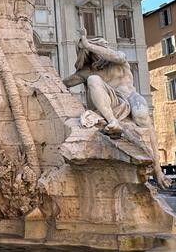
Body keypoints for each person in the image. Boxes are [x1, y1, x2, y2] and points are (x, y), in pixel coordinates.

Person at [63, 28, 169, 187]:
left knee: (141, 114)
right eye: (95, 52)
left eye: (101, 49)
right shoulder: (88, 72)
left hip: (130, 97)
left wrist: (88, 45)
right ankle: (113, 122)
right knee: (93, 79)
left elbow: (117, 56)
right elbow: (63, 84)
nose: (101, 54)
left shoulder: (119, 60)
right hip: (112, 104)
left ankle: (158, 169)